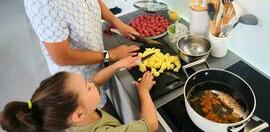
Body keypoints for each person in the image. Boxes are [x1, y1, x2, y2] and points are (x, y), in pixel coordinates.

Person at [23, 0, 139, 108]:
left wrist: (118, 23)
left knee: (104, 106)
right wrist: (110, 55)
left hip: (96, 65)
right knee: (94, 115)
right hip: (77, 83)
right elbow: (61, 56)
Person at [0, 56, 158, 132]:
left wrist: (117, 65)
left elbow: (95, 81)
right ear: (78, 115)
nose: (91, 83)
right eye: (87, 87)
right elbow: (150, 125)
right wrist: (143, 91)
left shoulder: (63, 116)